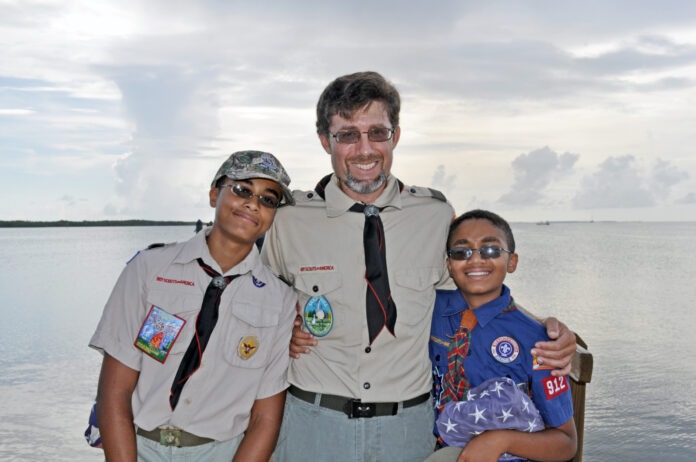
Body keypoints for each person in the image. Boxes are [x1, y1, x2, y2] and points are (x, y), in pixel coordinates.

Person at [261, 71, 577, 462]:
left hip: (407, 431)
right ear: (326, 140)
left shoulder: (435, 215)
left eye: (377, 133)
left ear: (395, 136)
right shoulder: (291, 221)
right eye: (347, 135)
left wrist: (548, 328)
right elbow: (255, 300)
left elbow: (476, 291)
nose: (364, 150)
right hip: (312, 424)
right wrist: (280, 332)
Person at [89, 150, 297, 461]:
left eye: (268, 199)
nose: (253, 204)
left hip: (222, 452)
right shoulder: (150, 269)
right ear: (214, 195)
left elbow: (264, 419)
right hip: (139, 447)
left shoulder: (280, 299)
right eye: (242, 190)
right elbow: (114, 392)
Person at [427, 209, 576, 462]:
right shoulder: (427, 309)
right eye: (462, 252)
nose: (476, 260)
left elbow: (566, 442)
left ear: (512, 262)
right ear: (449, 265)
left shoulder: (539, 342)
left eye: (491, 250)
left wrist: (501, 439)